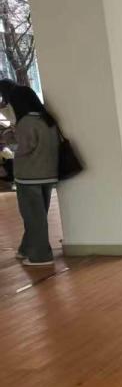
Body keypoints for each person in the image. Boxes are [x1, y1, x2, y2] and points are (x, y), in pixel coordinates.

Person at [6, 85, 60, 266]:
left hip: (29, 177)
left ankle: (41, 256)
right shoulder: (47, 119)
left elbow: (20, 148)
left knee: (33, 217)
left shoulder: (26, 122)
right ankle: (26, 248)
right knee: (38, 216)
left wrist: (8, 135)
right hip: (48, 174)